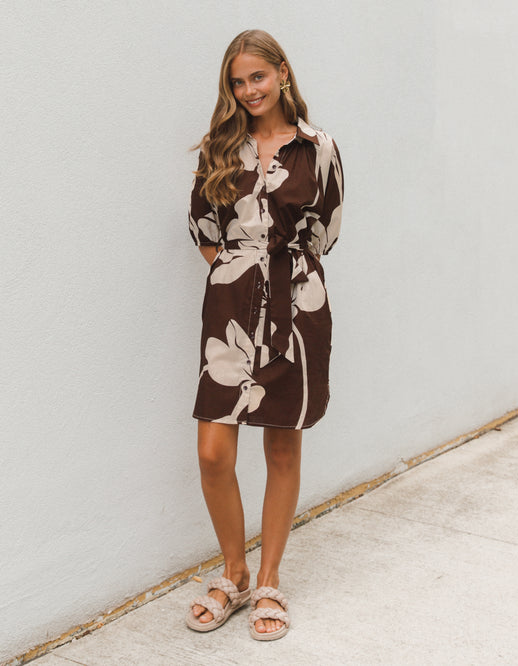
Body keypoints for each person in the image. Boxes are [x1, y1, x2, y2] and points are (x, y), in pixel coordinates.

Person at [186, 29, 343, 641]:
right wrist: (240, 275)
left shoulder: (318, 147)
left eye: (257, 76)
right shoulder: (219, 148)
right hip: (230, 310)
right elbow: (203, 227)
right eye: (238, 81)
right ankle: (235, 572)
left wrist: (281, 283)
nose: (249, 90)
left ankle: (269, 579)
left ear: (282, 73)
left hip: (297, 307)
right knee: (213, 451)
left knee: (281, 448)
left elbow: (325, 231)